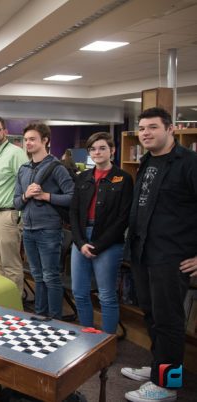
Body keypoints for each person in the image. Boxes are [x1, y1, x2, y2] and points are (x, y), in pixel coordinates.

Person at [121, 107, 197, 402]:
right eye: (142, 128)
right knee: (152, 316)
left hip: (171, 257)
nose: (146, 133)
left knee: (169, 321)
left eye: (153, 127)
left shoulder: (189, 163)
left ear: (171, 129)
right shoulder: (148, 161)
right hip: (143, 254)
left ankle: (167, 385)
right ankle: (157, 369)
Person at [69, 132, 133, 334]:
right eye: (93, 149)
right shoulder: (83, 178)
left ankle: (107, 343)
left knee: (106, 295)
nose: (97, 152)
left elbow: (123, 218)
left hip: (108, 241)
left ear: (112, 151)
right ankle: (88, 337)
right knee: (79, 292)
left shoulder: (123, 178)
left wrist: (99, 245)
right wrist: (80, 243)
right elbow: (74, 211)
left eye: (102, 148)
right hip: (81, 239)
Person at [14, 122, 74, 319]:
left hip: (49, 230)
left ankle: (55, 320)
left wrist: (46, 196)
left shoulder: (56, 167)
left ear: (45, 140)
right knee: (37, 276)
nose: (28, 143)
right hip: (28, 230)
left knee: (51, 277)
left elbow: (72, 196)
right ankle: (40, 316)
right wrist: (26, 196)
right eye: (26, 140)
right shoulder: (23, 169)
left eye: (33, 139)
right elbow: (16, 202)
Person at [0, 116, 29, 294]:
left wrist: (20, 217)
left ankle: (15, 307)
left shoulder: (16, 153)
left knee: (10, 265)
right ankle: (4, 303)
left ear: (5, 132)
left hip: (7, 215)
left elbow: (26, 184)